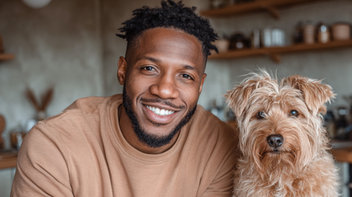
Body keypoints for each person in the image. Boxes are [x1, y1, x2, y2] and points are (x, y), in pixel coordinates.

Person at [11, 1, 238, 196]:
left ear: (200, 86)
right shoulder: (54, 145)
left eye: (186, 76)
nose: (165, 90)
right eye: (149, 68)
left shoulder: (222, 145)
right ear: (123, 70)